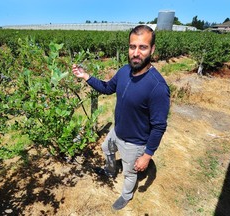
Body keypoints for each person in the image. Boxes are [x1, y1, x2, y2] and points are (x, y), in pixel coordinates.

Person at [72, 25, 170, 211]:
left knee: (130, 172)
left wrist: (147, 155)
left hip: (135, 142)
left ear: (152, 49)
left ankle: (126, 195)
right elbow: (108, 88)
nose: (136, 52)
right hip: (117, 131)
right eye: (132, 46)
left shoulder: (157, 87)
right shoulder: (125, 71)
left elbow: (159, 126)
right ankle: (110, 170)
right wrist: (86, 76)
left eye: (142, 47)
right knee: (105, 148)